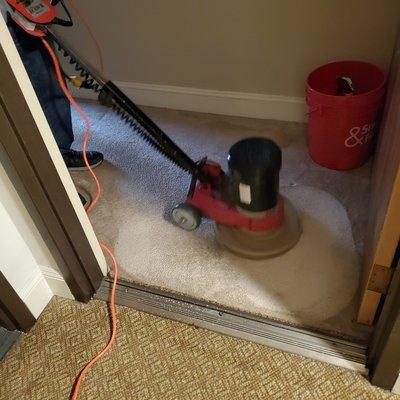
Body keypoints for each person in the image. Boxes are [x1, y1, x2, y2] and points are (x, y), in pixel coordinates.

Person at [7, 18, 104, 171]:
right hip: (15, 21)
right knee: (48, 83)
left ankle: (56, 150)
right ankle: (59, 152)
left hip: (27, 20)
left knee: (50, 75)